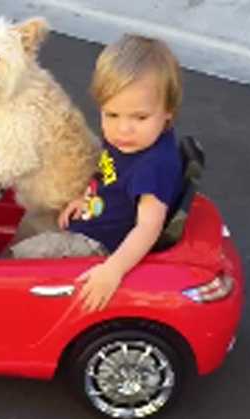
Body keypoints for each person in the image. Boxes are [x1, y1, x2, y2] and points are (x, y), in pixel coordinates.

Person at [58, 33, 184, 312]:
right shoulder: (127, 141)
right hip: (90, 221)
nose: (123, 129)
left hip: (99, 247)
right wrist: (84, 198)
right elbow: (106, 172)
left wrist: (112, 270)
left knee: (17, 261)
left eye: (140, 117)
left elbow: (148, 227)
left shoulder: (153, 166)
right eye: (111, 115)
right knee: (28, 218)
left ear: (168, 111)